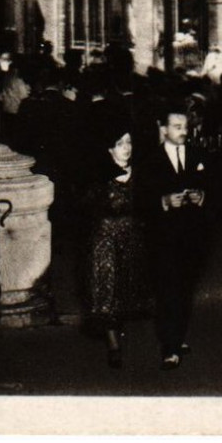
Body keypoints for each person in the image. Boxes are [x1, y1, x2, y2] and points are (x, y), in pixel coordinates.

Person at [142, 103, 209, 369]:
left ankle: (177, 335)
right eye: (177, 127)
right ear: (163, 130)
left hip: (191, 235)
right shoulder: (150, 159)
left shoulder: (197, 154)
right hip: (163, 237)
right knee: (168, 290)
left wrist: (202, 196)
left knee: (185, 288)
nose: (183, 132)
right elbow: (142, 199)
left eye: (185, 127)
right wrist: (165, 201)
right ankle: (169, 346)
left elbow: (211, 184)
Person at [82, 123, 150, 368]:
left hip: (131, 237)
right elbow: (90, 207)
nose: (126, 148)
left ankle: (119, 332)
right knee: (107, 289)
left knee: (127, 289)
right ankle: (113, 344)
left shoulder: (139, 172)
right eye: (120, 144)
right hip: (105, 238)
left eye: (129, 142)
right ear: (110, 149)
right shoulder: (99, 176)